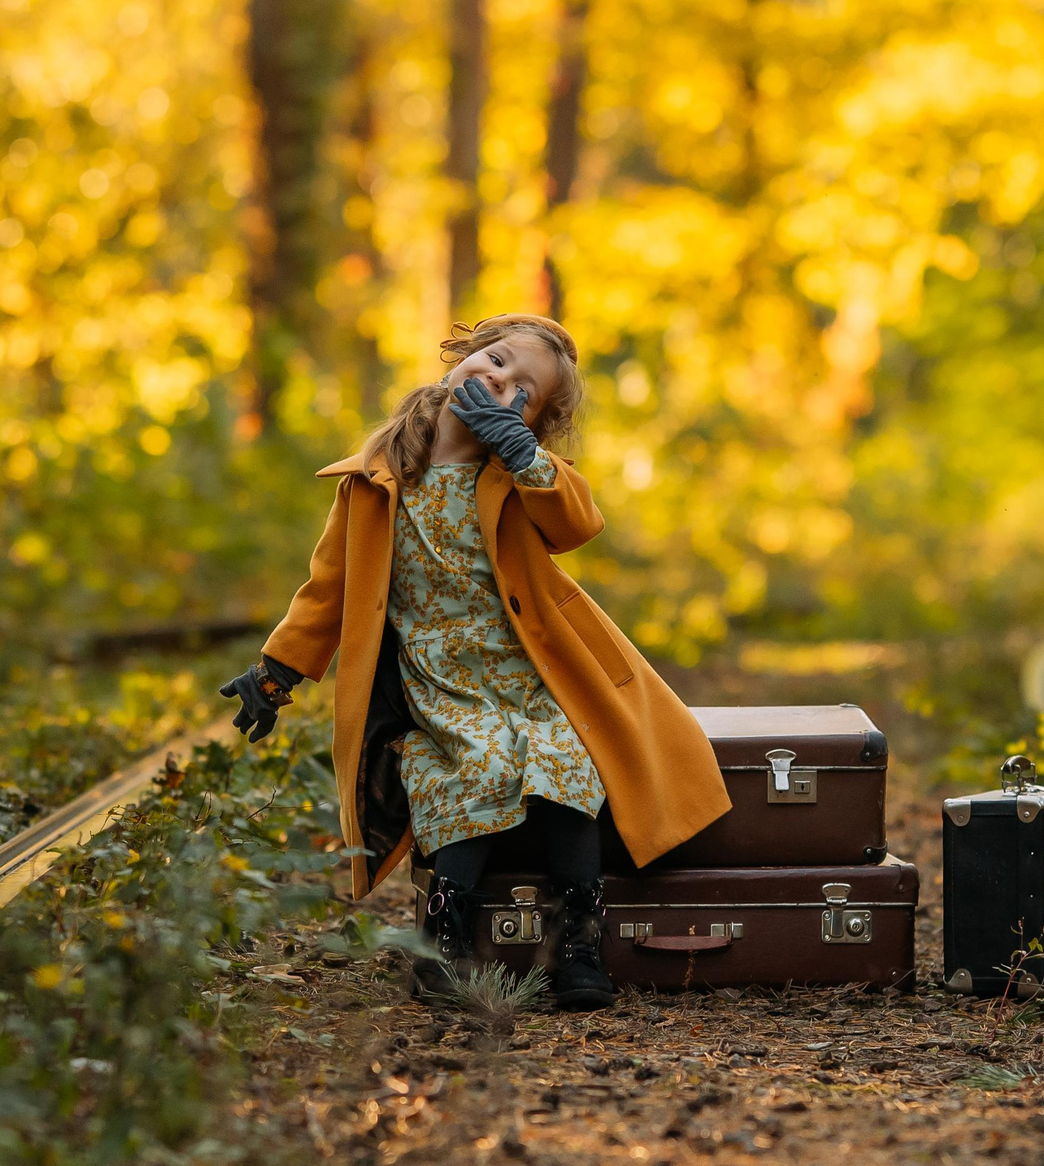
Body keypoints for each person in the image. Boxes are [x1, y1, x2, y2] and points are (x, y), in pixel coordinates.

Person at [222, 315, 729, 1011]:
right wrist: (277, 672)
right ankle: (444, 943)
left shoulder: (520, 477)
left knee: (566, 763)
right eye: (495, 362)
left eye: (523, 389)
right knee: (475, 763)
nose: (499, 382)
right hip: (442, 685)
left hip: (530, 674)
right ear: (458, 360)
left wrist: (523, 455)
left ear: (535, 422)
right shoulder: (376, 480)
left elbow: (576, 524)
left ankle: (578, 939)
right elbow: (329, 589)